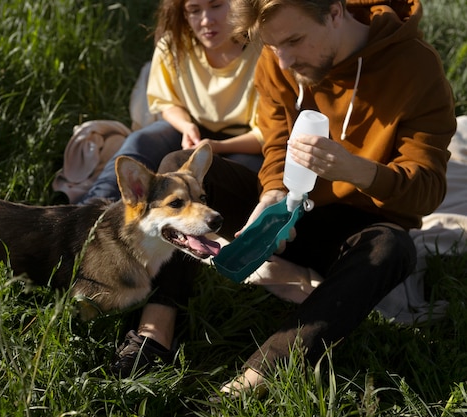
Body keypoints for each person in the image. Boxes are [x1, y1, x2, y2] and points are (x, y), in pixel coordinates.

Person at [117, 0, 457, 399]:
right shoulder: (278, 56)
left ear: (334, 11)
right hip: (292, 206)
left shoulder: (416, 68)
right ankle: (156, 327)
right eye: (272, 46)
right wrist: (273, 193)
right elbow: (276, 142)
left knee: (393, 248)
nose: (283, 60)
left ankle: (261, 373)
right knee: (179, 165)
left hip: (357, 225)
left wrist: (357, 170)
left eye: (295, 40)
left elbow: (428, 189)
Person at [77, 0, 264, 205]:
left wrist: (217, 146)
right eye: (194, 10)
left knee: (224, 180)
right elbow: (166, 102)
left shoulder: (262, 50)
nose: (206, 20)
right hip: (190, 132)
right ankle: (90, 211)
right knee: (140, 141)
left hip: (246, 144)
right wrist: (186, 126)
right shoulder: (173, 44)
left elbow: (269, 133)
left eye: (216, 6)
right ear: (183, 14)